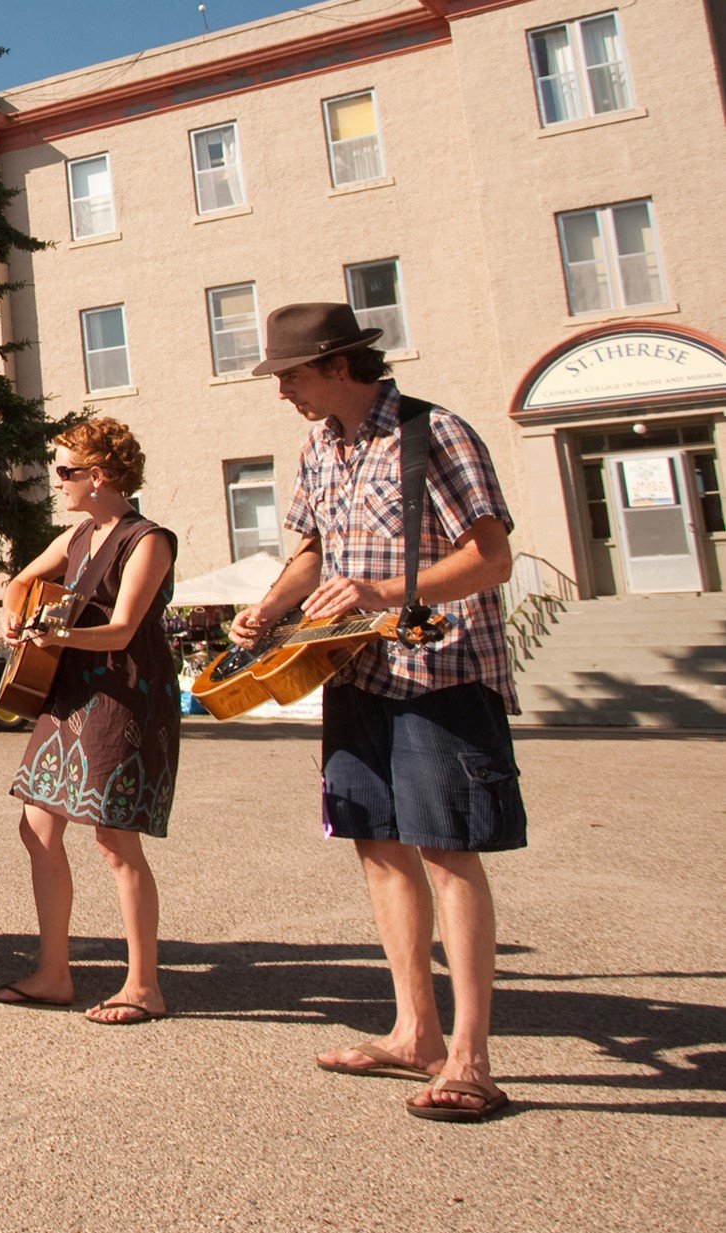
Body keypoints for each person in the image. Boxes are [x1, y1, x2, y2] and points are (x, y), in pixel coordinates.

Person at [227, 304, 525, 1123]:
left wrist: (383, 591)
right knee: (378, 846)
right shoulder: (318, 447)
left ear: (335, 364)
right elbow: (311, 554)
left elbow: (490, 556)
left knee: (448, 852)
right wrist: (268, 608)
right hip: (351, 672)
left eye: (288, 374)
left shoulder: (438, 433)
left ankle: (470, 1057)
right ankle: (414, 1032)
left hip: (441, 673)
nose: (281, 389)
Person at [0, 419, 180, 1022]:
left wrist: (59, 633)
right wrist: (19, 620)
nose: (57, 482)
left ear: (98, 477)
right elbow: (20, 582)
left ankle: (143, 985)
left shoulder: (147, 539)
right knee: (36, 826)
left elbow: (123, 629)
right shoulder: (77, 536)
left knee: (114, 840)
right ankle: (53, 973)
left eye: (65, 471)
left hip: (123, 696)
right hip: (66, 694)